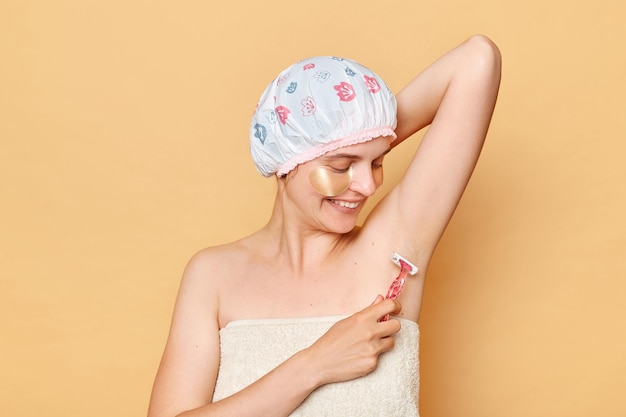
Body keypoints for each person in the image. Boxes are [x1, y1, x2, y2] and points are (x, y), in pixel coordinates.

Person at [148, 35, 501, 417]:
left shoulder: (392, 251)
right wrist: (315, 364)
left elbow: (477, 60)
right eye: (340, 166)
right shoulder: (212, 276)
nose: (367, 185)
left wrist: (363, 130)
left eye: (377, 163)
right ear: (288, 162)